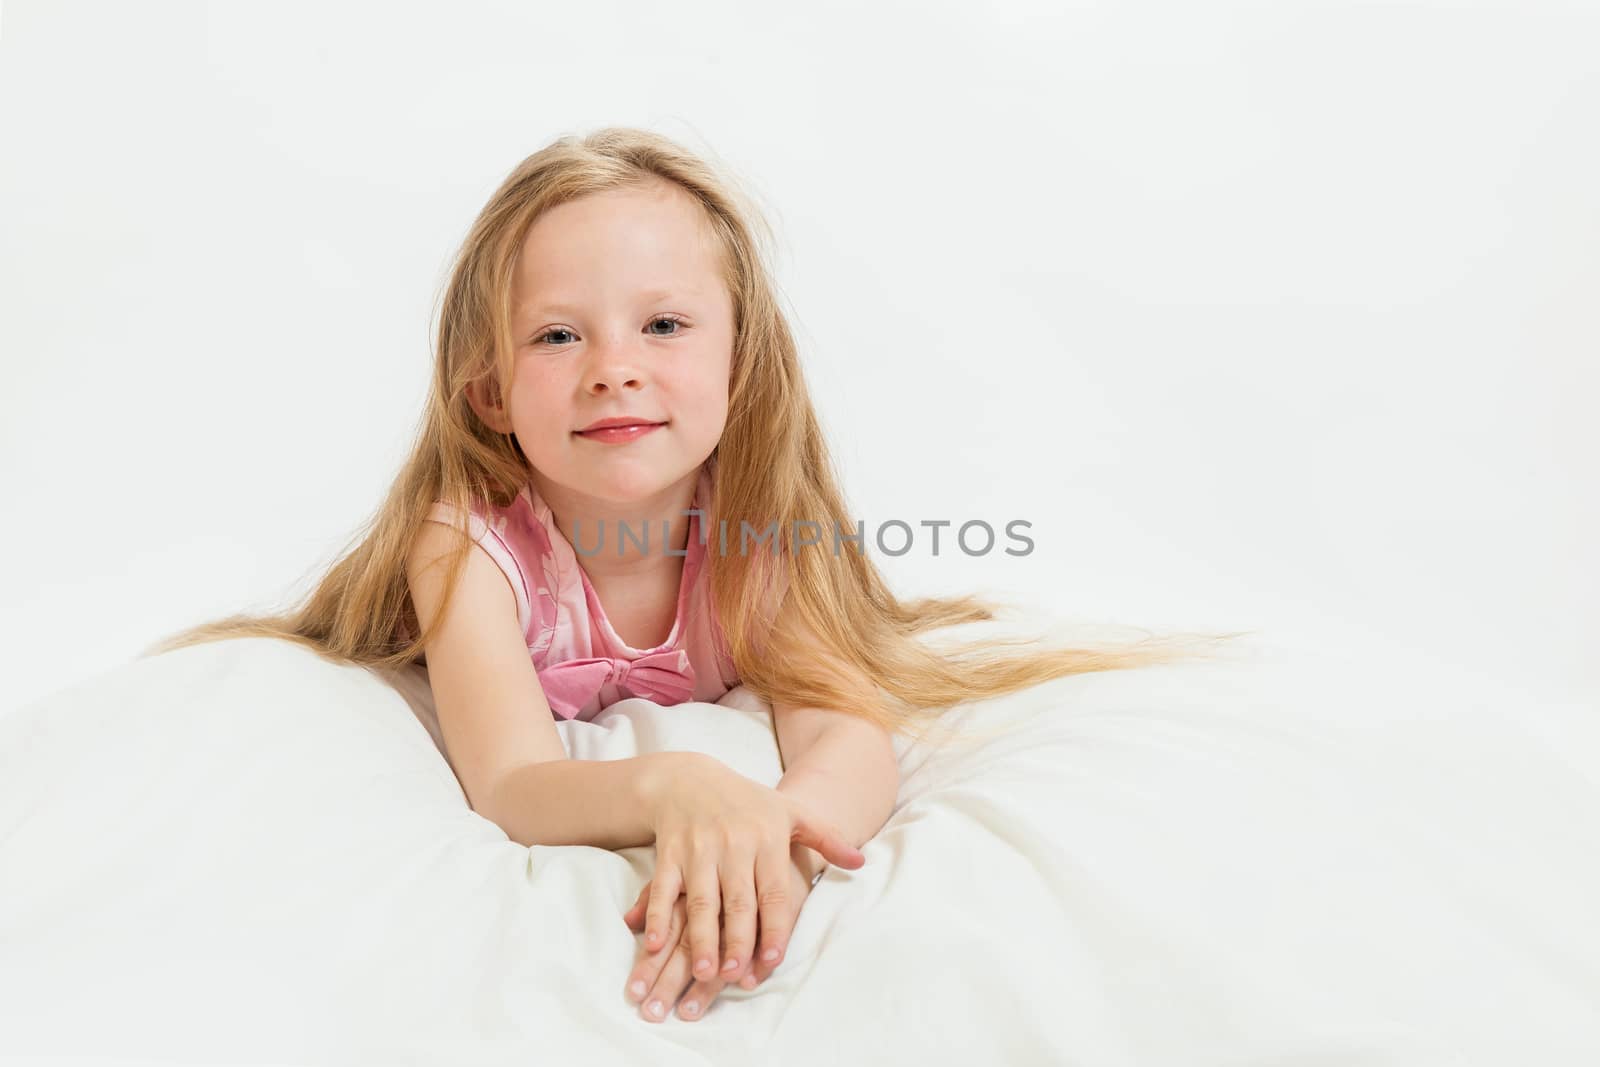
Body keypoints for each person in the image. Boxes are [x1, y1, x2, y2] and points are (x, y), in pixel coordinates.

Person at [146, 126, 1249, 1024]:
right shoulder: (465, 544)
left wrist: (782, 827)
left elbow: (841, 726)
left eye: (663, 324)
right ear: (489, 392)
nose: (614, 365)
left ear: (737, 361)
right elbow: (515, 783)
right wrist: (674, 785)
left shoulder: (757, 528)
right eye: (557, 336)